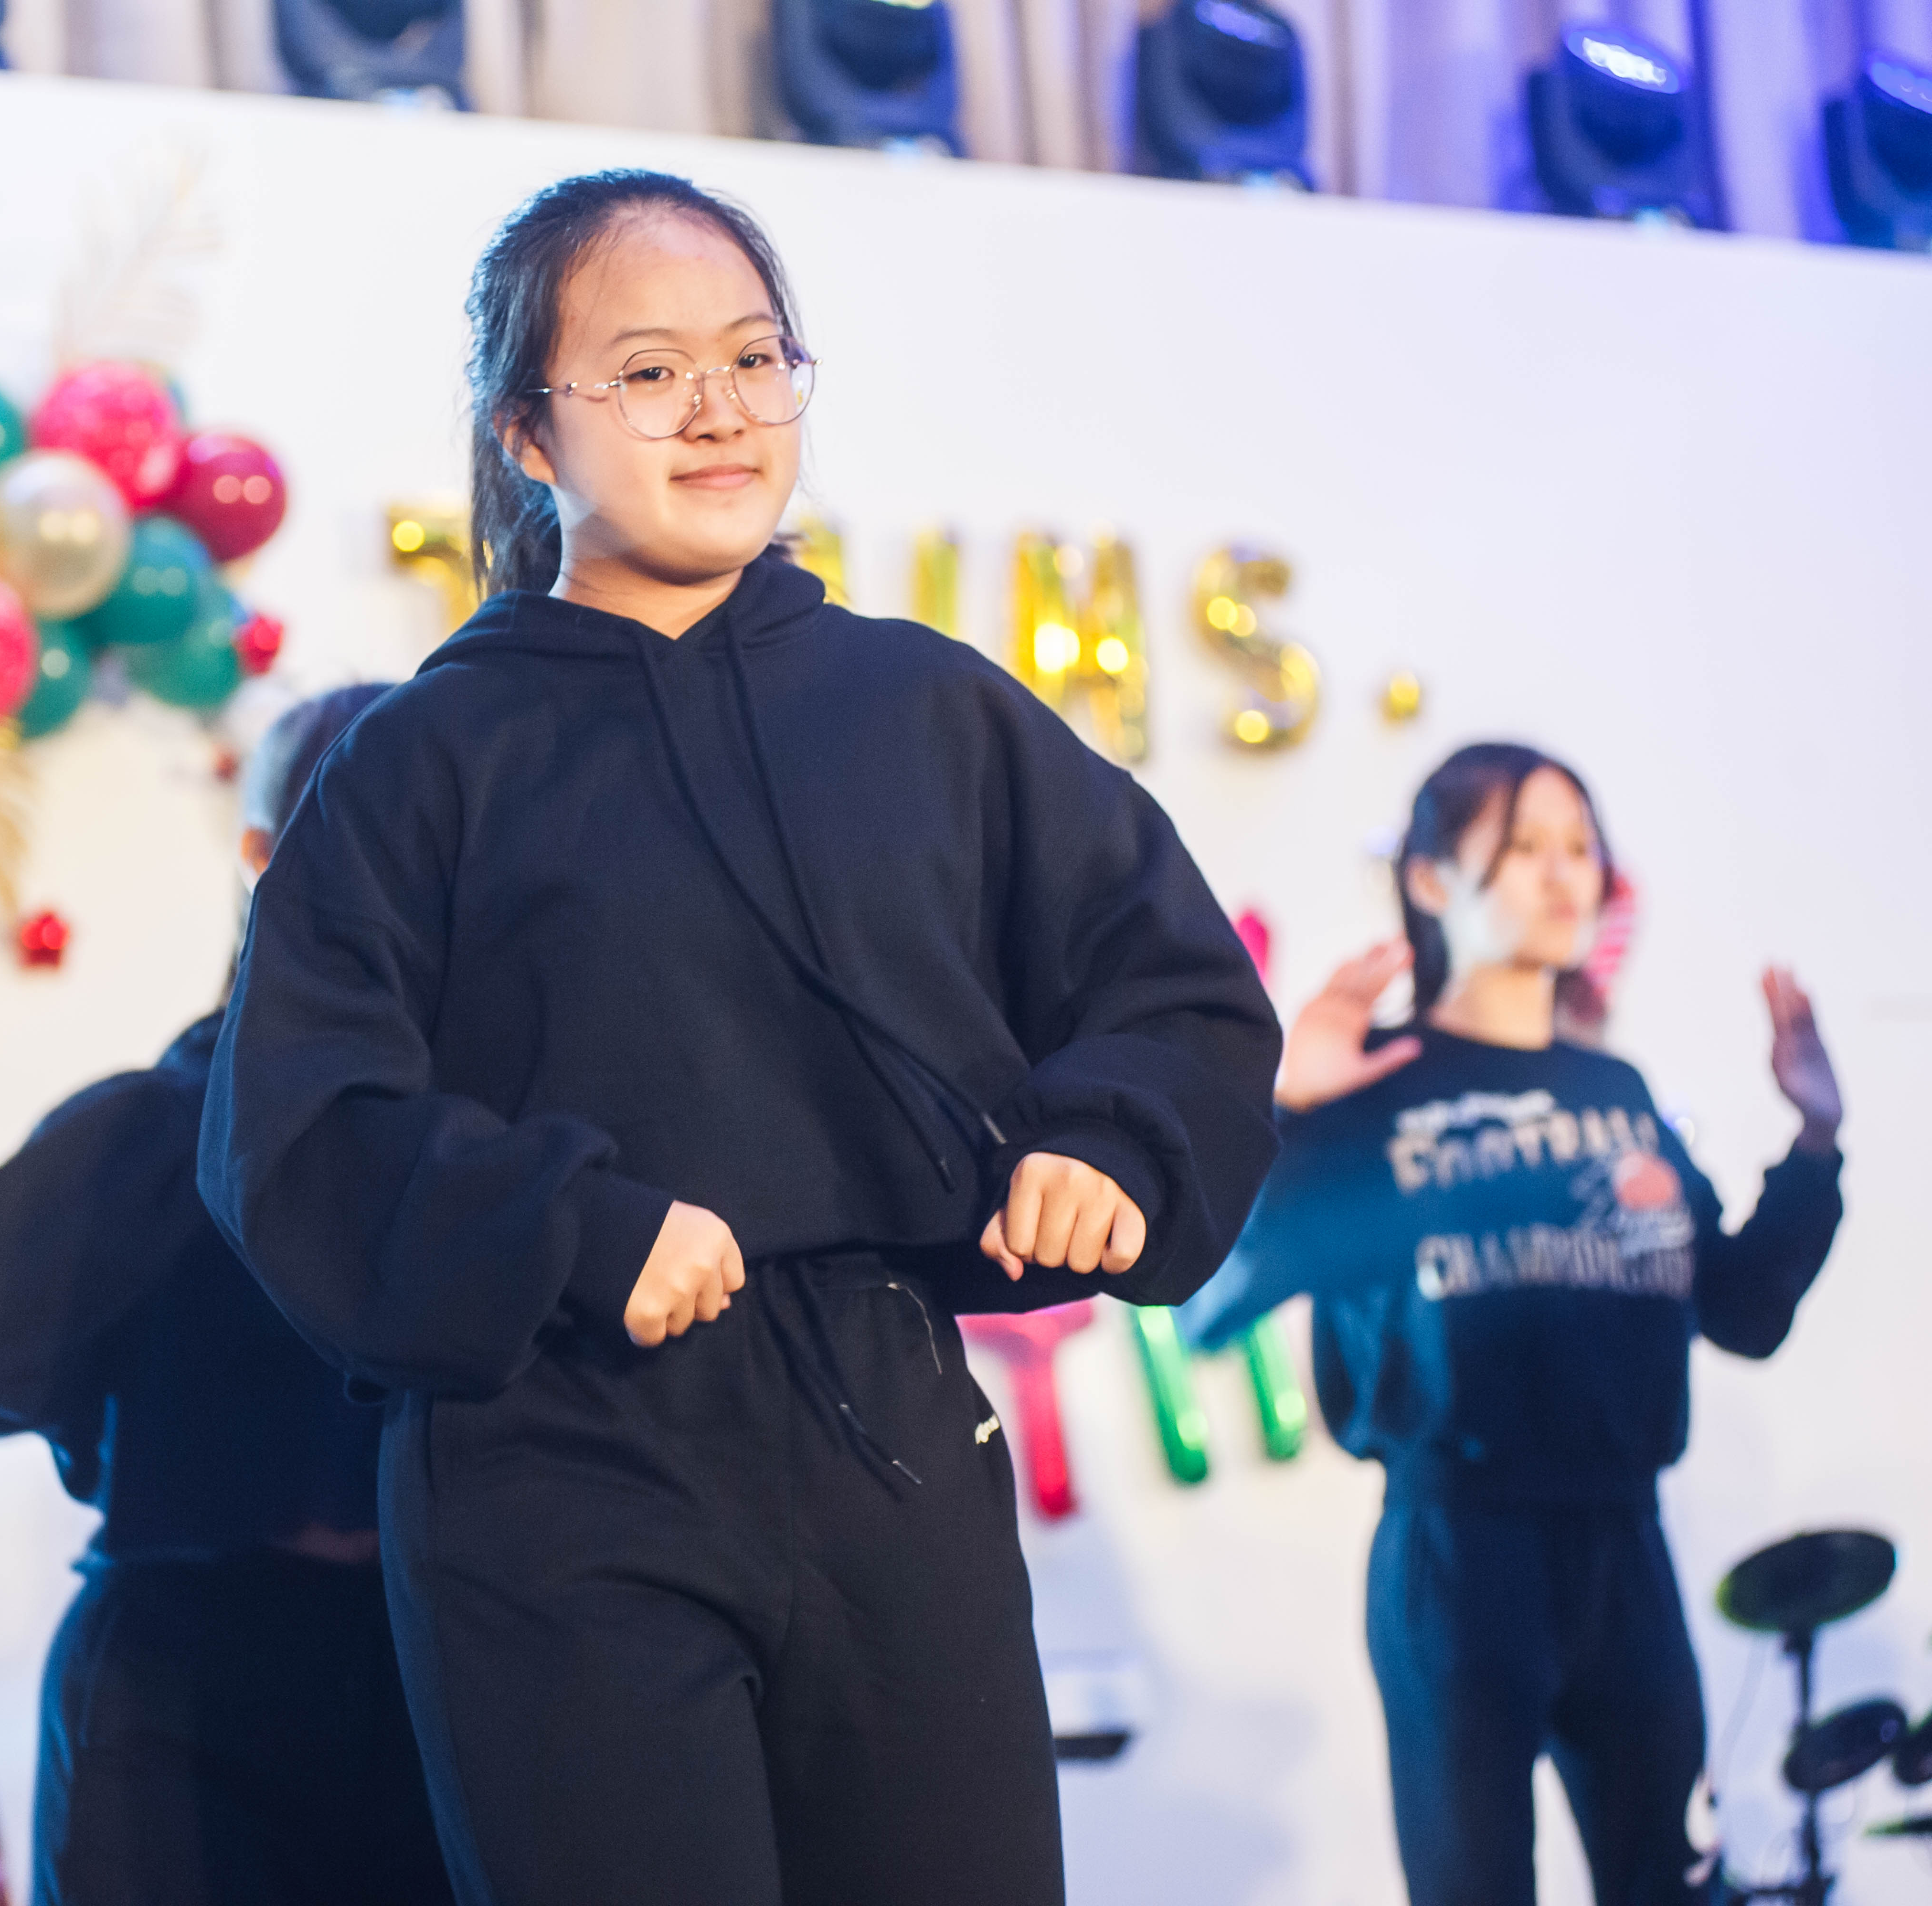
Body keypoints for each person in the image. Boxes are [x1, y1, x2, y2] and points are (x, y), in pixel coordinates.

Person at [195, 170, 1282, 1906]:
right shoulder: (423, 759)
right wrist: (573, 1228)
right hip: (555, 1459)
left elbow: (1175, 985)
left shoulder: (928, 706)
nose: (718, 409)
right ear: (527, 434)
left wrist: (1111, 1141)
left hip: (892, 1429)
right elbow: (295, 1126)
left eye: (754, 357)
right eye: (647, 371)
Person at [1181, 741, 1845, 1906]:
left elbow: (1742, 1310)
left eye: (1580, 847)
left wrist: (1815, 1145)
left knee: (1672, 1886)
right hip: (1459, 1556)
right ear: (1431, 878)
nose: (1562, 875)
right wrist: (1287, 1111)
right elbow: (1210, 1303)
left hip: (1625, 1551)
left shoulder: (1613, 1095)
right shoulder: (1374, 1090)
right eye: (1525, 846)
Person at [0, 683, 449, 1906]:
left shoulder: (493, 1125)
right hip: (189, 1686)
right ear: (263, 858)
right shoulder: (180, 1110)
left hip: (446, 1663)